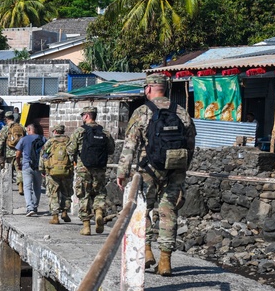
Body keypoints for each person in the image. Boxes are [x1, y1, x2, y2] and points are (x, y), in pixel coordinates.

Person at [116, 73, 197, 277]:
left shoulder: (142, 112)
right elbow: (190, 144)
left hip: (148, 169)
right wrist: (182, 167)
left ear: (148, 89)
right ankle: (165, 262)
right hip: (175, 169)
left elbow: (130, 146)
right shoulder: (181, 112)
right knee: (168, 211)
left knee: (144, 209)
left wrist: (122, 172)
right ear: (165, 89)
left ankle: (147, 250)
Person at [67, 106, 116, 236]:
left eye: (83, 115)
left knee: (84, 194)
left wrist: (74, 161)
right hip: (100, 168)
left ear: (87, 116)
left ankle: (86, 226)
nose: (82, 118)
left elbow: (71, 150)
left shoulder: (80, 131)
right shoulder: (104, 132)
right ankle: (99, 211)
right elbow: (111, 149)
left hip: (84, 168)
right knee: (99, 192)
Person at [41, 124, 73, 224]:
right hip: (66, 171)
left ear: (54, 131)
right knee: (66, 193)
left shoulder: (50, 142)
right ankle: (64, 212)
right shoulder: (69, 141)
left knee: (53, 193)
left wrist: (42, 169)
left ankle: (55, 217)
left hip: (52, 171)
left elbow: (43, 156)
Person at [15, 123, 44, 216]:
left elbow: (18, 154)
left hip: (27, 165)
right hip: (39, 166)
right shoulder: (43, 139)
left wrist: (18, 163)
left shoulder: (24, 139)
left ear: (29, 129)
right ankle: (35, 207)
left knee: (27, 187)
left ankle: (30, 207)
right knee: (37, 187)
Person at [0, 111, 26, 194]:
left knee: (8, 170)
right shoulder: (21, 127)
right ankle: (20, 187)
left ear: (6, 119)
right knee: (19, 170)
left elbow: (1, 141)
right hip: (20, 153)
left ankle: (7, 187)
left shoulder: (6, 128)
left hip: (8, 154)